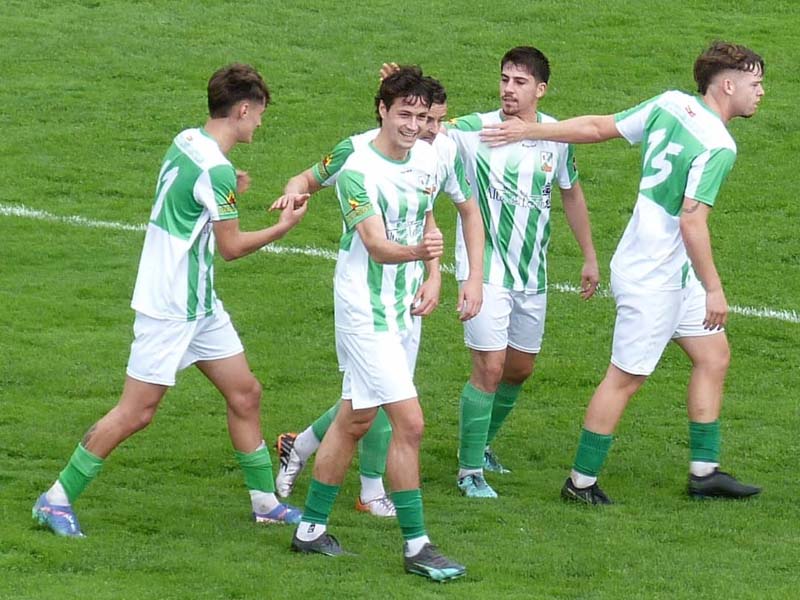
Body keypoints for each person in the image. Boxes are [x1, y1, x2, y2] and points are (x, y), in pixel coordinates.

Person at [481, 40, 765, 503]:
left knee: (714, 355)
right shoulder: (719, 145)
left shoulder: (670, 104)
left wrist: (529, 130)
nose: (761, 92)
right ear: (728, 85)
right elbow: (692, 221)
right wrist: (714, 288)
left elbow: (598, 127)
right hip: (655, 277)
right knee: (624, 378)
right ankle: (580, 483)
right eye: (755, 83)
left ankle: (705, 472)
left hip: (664, 268)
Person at [32, 63, 308, 537]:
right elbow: (231, 247)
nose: (261, 123)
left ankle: (265, 502)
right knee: (136, 411)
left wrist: (228, 188)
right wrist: (282, 227)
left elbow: (190, 192)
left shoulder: (189, 141)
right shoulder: (216, 170)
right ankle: (55, 499)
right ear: (243, 110)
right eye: (260, 113)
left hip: (200, 304)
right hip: (171, 306)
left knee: (246, 392)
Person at [272, 73, 484, 518]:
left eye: (429, 119)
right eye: (412, 116)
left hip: (406, 303)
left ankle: (303, 458)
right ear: (383, 110)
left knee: (364, 406)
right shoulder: (355, 157)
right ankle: (379, 503)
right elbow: (308, 181)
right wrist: (292, 195)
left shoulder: (428, 156)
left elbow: (425, 215)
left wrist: (435, 275)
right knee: (399, 410)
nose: (424, 128)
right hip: (364, 304)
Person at [445, 46, 599, 498]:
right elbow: (425, 130)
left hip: (532, 273)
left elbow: (571, 193)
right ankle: (469, 471)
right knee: (489, 368)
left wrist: (589, 255)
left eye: (519, 82)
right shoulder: (475, 130)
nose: (508, 89)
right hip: (485, 270)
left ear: (541, 89)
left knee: (519, 369)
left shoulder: (556, 135)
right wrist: (397, 94)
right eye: (504, 79)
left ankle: (482, 444)